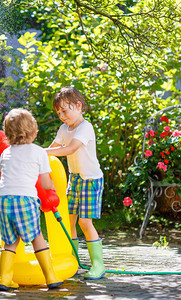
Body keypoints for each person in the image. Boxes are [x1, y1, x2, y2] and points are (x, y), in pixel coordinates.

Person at [0, 108, 63, 291]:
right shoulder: (38, 152)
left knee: (10, 241)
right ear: (34, 132)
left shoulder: (6, 153)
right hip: (25, 199)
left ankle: (4, 280)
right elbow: (46, 183)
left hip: (3, 200)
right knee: (37, 236)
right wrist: (52, 187)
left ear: (7, 134)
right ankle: (51, 277)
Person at [45, 87, 105, 280]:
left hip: (91, 179)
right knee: (70, 219)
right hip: (75, 178)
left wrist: (43, 153)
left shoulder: (85, 127)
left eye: (65, 110)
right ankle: (73, 261)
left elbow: (70, 149)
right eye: (59, 113)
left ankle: (98, 265)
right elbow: (53, 148)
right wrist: (36, 152)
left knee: (84, 222)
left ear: (78, 106)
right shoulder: (64, 129)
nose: (62, 116)